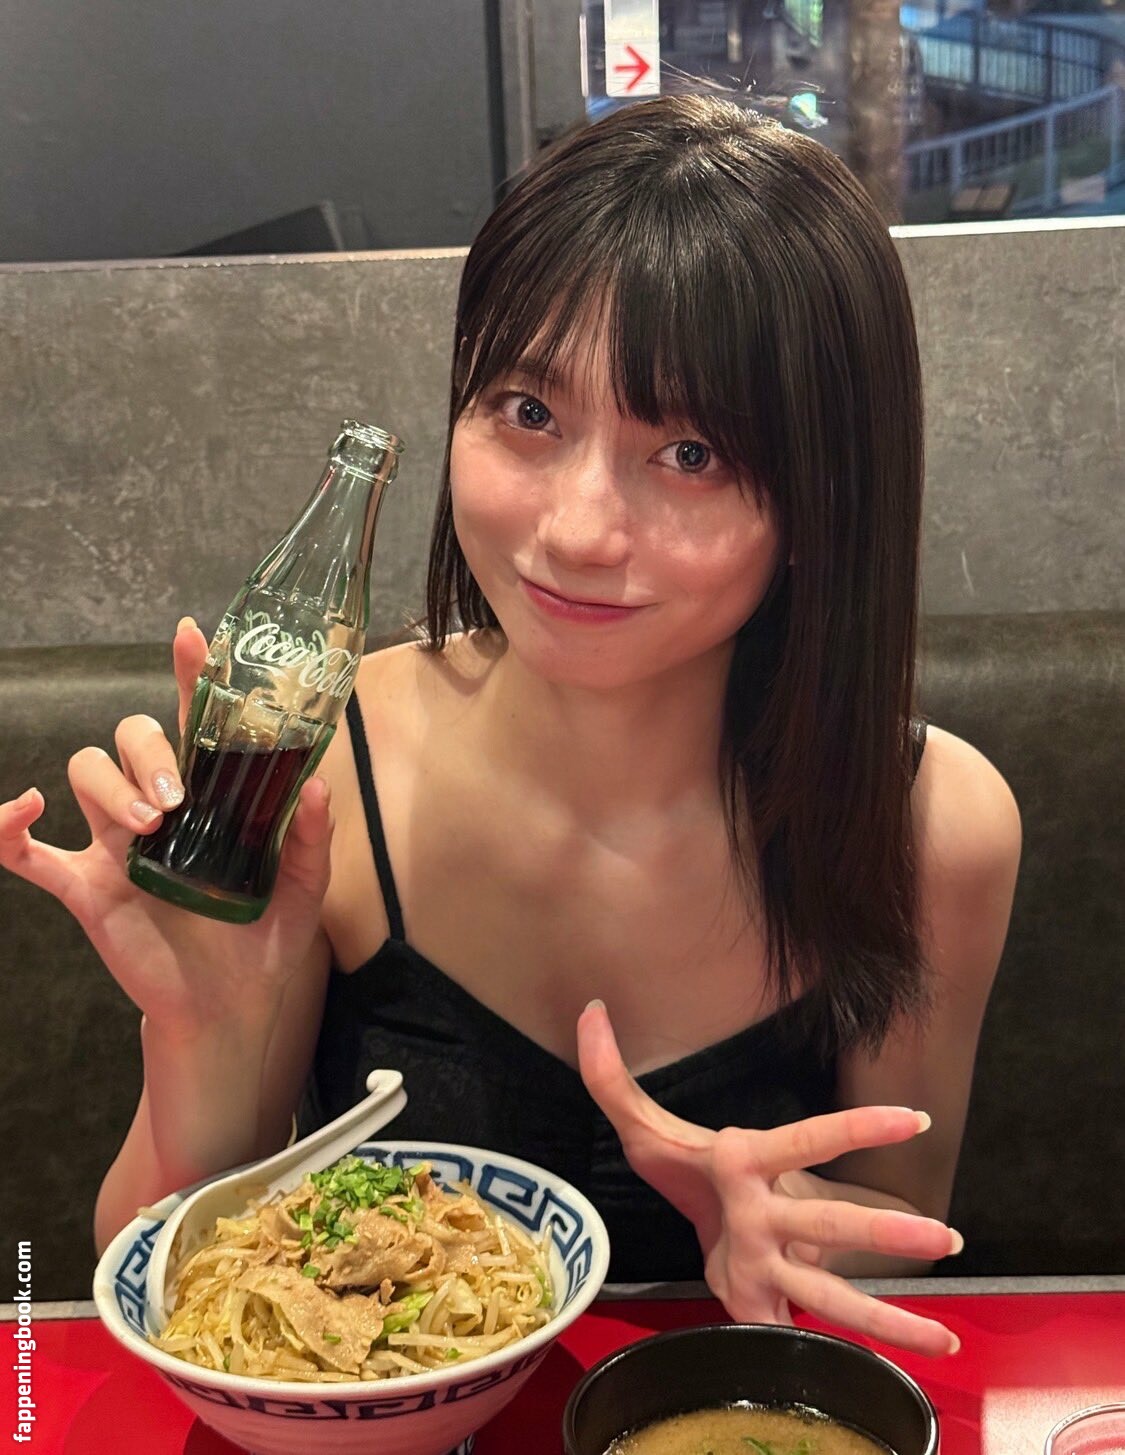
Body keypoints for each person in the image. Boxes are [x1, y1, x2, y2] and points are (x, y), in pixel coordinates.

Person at [0, 95, 1020, 1359]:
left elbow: (905, 1228)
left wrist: (777, 1224)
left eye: (691, 453)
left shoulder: (933, 823)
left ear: (826, 498)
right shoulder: (329, 761)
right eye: (531, 414)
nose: (578, 530)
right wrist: (204, 1031)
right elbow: (154, 1275)